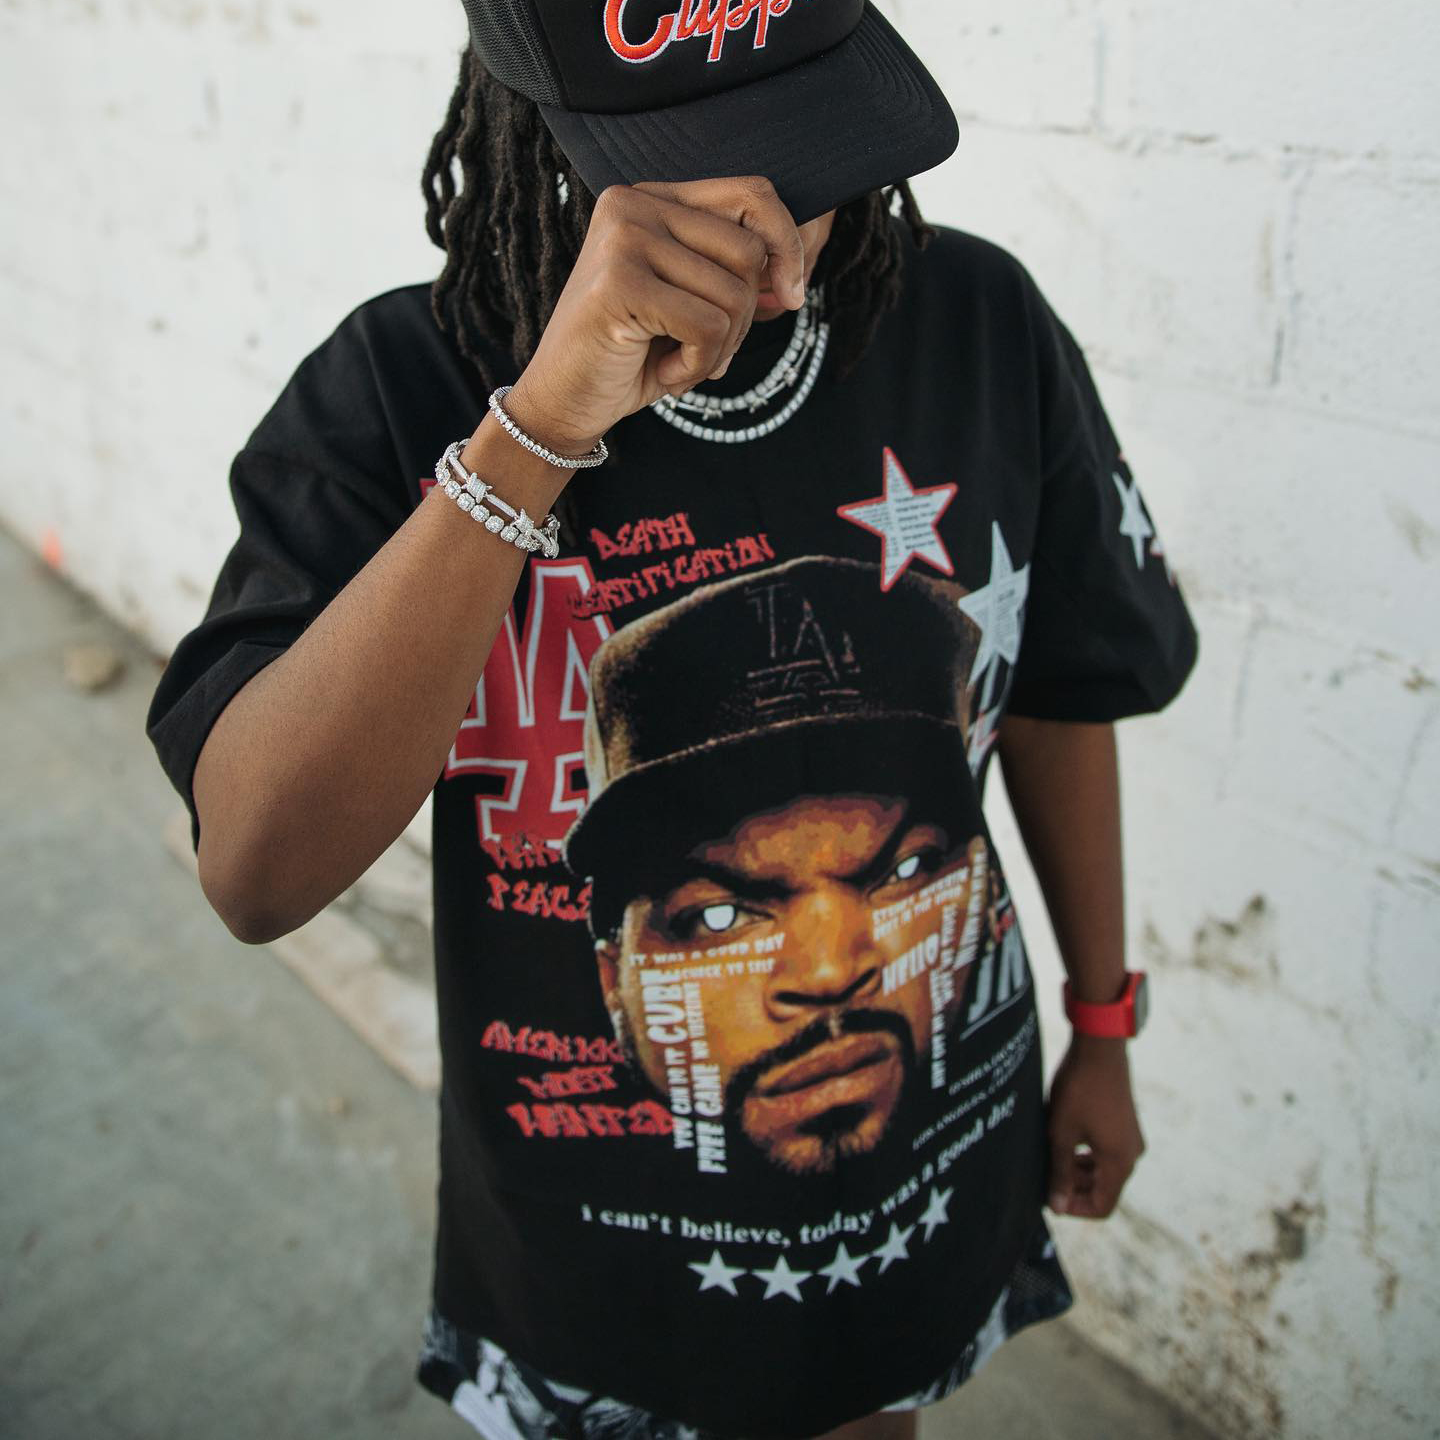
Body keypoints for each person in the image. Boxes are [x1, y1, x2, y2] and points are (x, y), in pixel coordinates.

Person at [145, 1, 1200, 1436]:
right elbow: (257, 870)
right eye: (703, 156)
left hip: (929, 1186)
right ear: (540, 117)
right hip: (598, 1259)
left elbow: (1063, 694)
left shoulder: (977, 321)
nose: (776, 231)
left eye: (811, 137)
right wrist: (540, 426)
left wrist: (1103, 1023)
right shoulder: (401, 387)